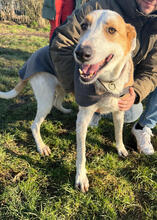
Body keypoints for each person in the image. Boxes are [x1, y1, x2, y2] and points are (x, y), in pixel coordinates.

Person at [50, 0, 157, 155]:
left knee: (131, 113)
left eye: (111, 30)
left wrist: (136, 92)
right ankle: (95, 111)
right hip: (93, 77)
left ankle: (142, 127)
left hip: (125, 80)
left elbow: (152, 70)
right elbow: (62, 42)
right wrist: (75, 89)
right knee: (89, 106)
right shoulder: (98, 5)